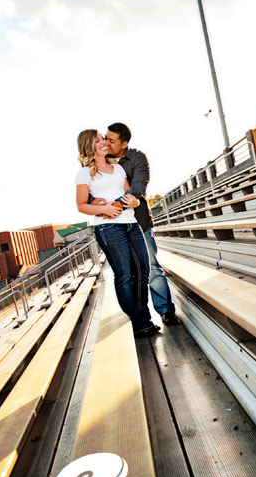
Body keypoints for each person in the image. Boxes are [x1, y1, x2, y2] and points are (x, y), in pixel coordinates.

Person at [75, 129, 159, 338]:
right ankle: (141, 321)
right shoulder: (85, 173)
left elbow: (131, 196)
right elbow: (81, 205)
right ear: (89, 146)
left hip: (131, 223)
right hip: (108, 228)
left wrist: (136, 202)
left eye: (103, 138)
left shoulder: (118, 168)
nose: (104, 142)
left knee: (143, 271)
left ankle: (141, 317)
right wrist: (104, 209)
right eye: (98, 140)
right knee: (124, 275)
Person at [101, 122, 180, 326]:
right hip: (113, 228)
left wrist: (110, 206)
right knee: (126, 275)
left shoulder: (137, 158)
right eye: (105, 137)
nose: (106, 142)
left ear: (124, 143)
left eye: (112, 140)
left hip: (138, 222)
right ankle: (137, 319)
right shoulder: (99, 159)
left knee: (152, 269)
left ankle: (165, 310)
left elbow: (137, 190)